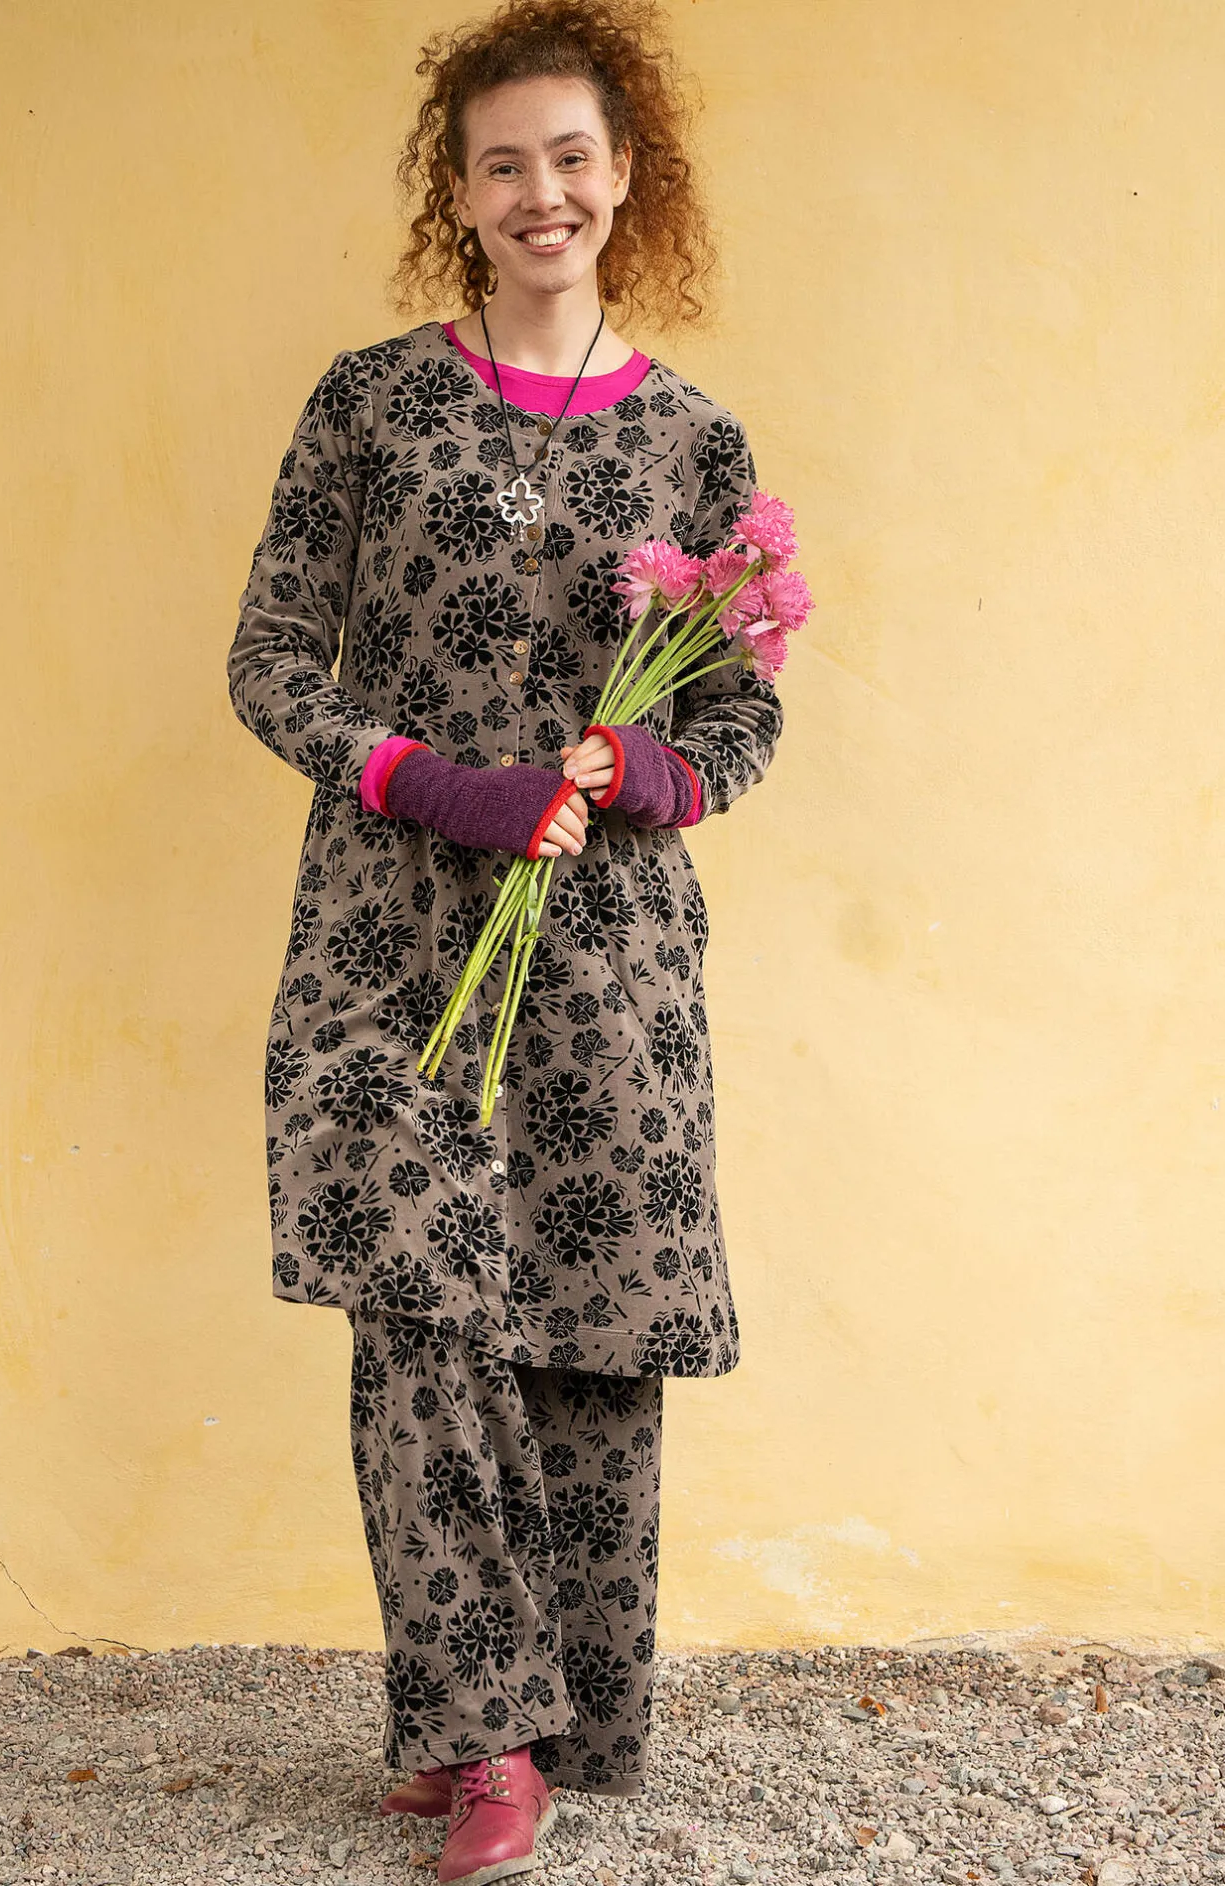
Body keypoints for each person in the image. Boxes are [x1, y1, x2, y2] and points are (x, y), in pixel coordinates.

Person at [226, 1, 785, 1879]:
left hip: (606, 953)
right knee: (416, 1311)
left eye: (570, 156)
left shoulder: (698, 445)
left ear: (626, 176)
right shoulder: (368, 404)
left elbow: (744, 718)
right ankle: (481, 1735)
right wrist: (429, 780)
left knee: (585, 1324)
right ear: (455, 193)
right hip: (388, 936)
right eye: (500, 163)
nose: (540, 191)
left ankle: (563, 1719)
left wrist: (650, 766)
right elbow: (269, 659)